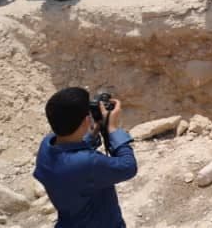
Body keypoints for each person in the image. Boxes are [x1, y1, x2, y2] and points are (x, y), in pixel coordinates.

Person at [34, 87, 137, 227]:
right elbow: (128, 167)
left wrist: (95, 130)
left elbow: (72, 148)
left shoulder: (46, 146)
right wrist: (112, 128)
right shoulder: (87, 163)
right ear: (87, 120)